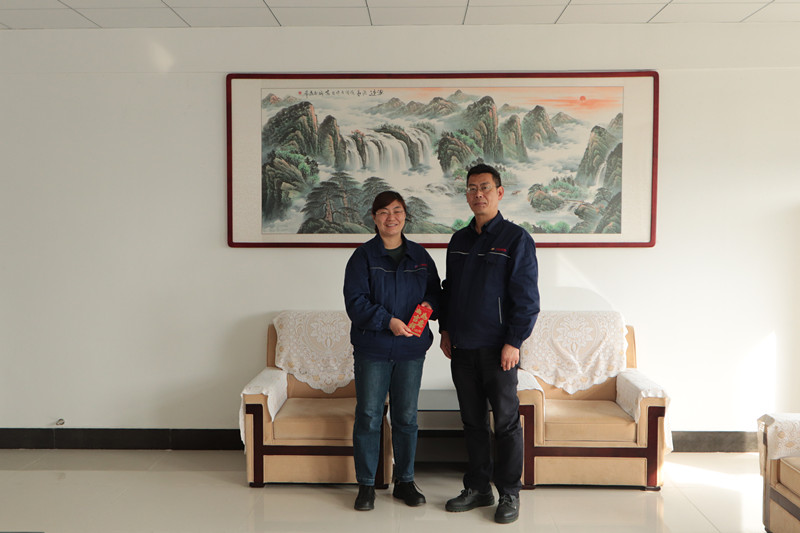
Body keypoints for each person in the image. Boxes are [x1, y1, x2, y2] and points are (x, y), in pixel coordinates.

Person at [439, 163, 540, 524]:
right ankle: (479, 487)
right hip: (462, 348)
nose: (477, 194)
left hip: (499, 351)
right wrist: (445, 330)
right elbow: (449, 291)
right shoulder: (458, 241)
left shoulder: (516, 239)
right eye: (471, 188)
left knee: (507, 423)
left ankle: (509, 492)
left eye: (484, 187)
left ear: (499, 192)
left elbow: (526, 299)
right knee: (473, 422)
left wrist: (514, 342)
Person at [343, 190, 441, 512]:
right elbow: (355, 303)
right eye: (384, 212)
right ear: (374, 218)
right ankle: (366, 485)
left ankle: (405, 481)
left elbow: (436, 293)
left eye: (397, 211)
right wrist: (388, 321)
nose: (391, 217)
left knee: (406, 417)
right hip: (373, 349)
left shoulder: (420, 256)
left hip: (411, 350)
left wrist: (428, 306)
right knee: (369, 416)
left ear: (405, 216)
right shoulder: (362, 257)